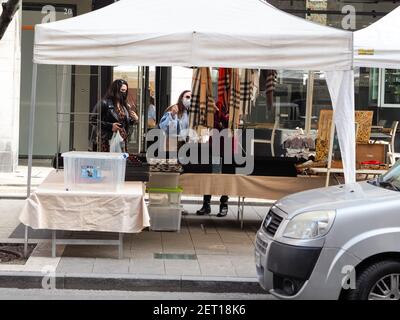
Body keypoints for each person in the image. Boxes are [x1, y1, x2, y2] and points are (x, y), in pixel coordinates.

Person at [196, 101, 230, 217]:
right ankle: (206, 204)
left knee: (226, 177)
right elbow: (212, 125)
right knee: (210, 175)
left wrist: (219, 114)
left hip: (228, 150)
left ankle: (224, 204)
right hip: (214, 148)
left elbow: (229, 125)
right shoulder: (217, 104)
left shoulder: (233, 107)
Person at [90, 79, 138, 152]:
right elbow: (93, 120)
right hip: (107, 139)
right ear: (116, 90)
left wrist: (134, 119)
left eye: (125, 90)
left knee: (121, 160)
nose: (124, 93)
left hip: (121, 139)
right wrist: (110, 126)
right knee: (108, 159)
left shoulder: (124, 106)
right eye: (122, 90)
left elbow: (124, 123)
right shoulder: (104, 103)